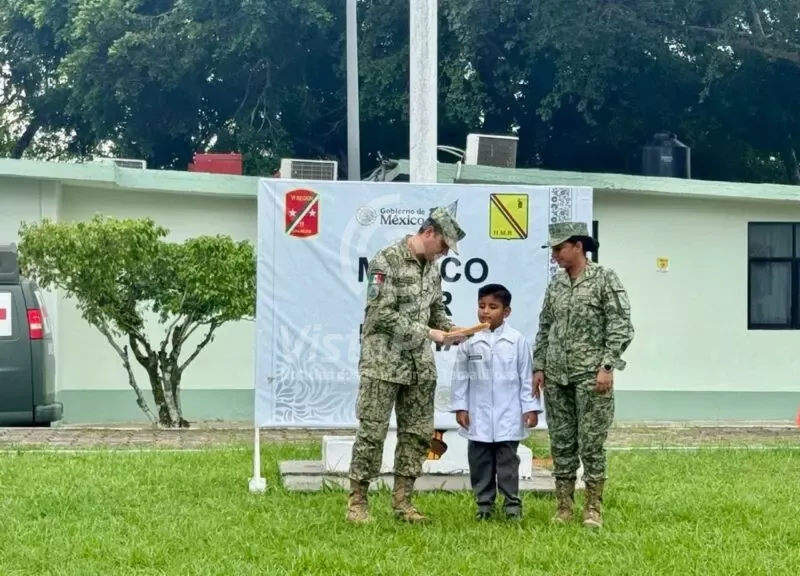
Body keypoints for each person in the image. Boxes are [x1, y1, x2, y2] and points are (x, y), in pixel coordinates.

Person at [346, 204, 469, 524]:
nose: (444, 253)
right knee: (372, 433)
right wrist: (428, 333)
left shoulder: (433, 269)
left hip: (419, 366)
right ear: (428, 232)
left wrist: (452, 330)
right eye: (443, 245)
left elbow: (436, 310)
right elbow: (381, 315)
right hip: (383, 364)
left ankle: (403, 502)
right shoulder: (387, 259)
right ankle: (357, 503)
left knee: (417, 434)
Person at [533, 221, 634, 529]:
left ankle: (593, 508)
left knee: (591, 444)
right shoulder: (556, 284)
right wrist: (539, 366)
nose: (554, 255)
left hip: (591, 377)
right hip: (557, 377)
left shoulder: (604, 278)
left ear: (578, 246)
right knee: (561, 443)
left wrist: (607, 366)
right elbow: (545, 326)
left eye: (559, 248)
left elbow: (621, 326)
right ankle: (564, 506)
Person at [450, 283, 542, 521]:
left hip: (508, 414)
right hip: (478, 414)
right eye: (481, 306)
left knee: (507, 462)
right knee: (479, 461)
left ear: (506, 311)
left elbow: (526, 378)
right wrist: (461, 406)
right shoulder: (470, 340)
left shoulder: (517, 341)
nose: (486, 312)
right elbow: (460, 376)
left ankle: (512, 506)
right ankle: (484, 505)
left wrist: (530, 408)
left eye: (493, 307)